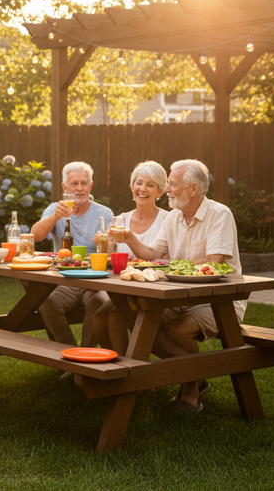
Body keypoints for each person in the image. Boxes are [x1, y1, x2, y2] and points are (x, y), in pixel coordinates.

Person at [114, 159, 245, 413]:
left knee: (179, 328)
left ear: (193, 189)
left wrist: (167, 267)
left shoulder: (219, 214)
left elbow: (214, 260)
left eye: (173, 184)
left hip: (219, 300)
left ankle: (191, 389)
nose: (168, 190)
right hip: (180, 298)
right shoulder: (173, 217)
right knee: (138, 316)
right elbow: (153, 253)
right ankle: (194, 374)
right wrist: (129, 238)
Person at [30, 161, 113, 350]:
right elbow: (35, 236)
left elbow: (111, 250)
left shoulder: (104, 213)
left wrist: (105, 242)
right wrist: (55, 218)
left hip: (94, 279)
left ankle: (87, 353)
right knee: (46, 303)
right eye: (74, 183)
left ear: (90, 186)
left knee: (100, 303)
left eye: (84, 183)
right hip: (64, 279)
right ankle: (69, 351)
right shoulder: (54, 209)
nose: (79, 188)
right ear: (64, 187)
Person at [92, 161, 169, 355]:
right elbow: (109, 258)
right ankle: (116, 366)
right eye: (139, 183)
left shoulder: (168, 220)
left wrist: (132, 242)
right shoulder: (121, 220)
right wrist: (102, 244)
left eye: (150, 185)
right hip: (125, 288)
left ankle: (128, 372)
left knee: (115, 316)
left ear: (160, 192)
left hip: (153, 290)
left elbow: (164, 260)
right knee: (99, 318)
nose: (142, 189)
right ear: (132, 187)